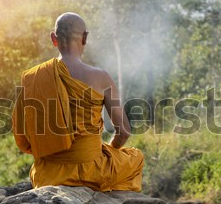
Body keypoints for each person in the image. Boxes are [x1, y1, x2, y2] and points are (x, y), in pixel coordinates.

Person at [12, 12, 144, 192]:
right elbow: (124, 132)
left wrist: (52, 150)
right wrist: (108, 151)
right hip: (92, 171)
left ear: (53, 38)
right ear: (85, 38)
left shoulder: (34, 77)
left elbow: (23, 138)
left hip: (48, 173)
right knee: (136, 158)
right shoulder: (101, 77)